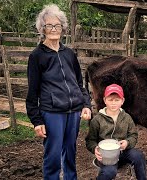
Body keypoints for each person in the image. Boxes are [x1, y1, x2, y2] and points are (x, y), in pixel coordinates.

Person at [26, 4, 92, 180]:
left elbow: (79, 82)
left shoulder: (69, 54)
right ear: (43, 29)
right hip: (52, 112)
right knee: (53, 156)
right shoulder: (37, 56)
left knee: (70, 152)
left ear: (63, 29)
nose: (54, 29)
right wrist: (36, 120)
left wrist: (86, 104)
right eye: (49, 25)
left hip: (74, 112)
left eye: (57, 25)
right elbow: (32, 92)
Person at [85, 84, 147, 180]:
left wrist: (127, 142)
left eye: (117, 100)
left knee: (138, 156)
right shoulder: (97, 120)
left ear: (122, 101)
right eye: (110, 100)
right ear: (105, 100)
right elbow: (90, 140)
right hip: (106, 157)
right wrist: (95, 149)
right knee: (109, 172)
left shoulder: (126, 118)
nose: (113, 103)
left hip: (123, 152)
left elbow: (133, 135)